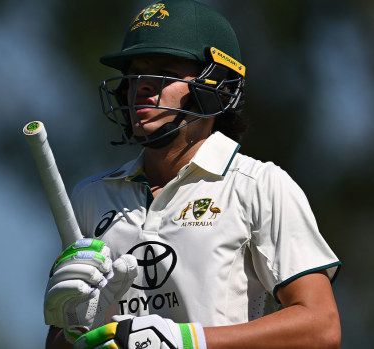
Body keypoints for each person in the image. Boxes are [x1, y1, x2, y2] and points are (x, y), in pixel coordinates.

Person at [44, 0, 342, 348]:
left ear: (218, 85)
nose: (141, 85)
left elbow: (321, 328)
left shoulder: (258, 186)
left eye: (165, 71)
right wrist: (72, 323)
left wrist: (188, 341)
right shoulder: (90, 198)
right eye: (133, 74)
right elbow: (60, 344)